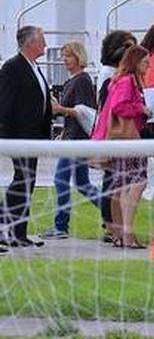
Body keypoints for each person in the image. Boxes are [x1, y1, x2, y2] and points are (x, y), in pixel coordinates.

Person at [92, 44, 150, 249]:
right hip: (127, 139)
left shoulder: (119, 80)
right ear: (135, 62)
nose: (148, 66)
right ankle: (126, 231)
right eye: (145, 62)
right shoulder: (127, 82)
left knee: (120, 187)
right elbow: (119, 106)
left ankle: (119, 232)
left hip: (117, 140)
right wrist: (141, 108)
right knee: (137, 182)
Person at [0, 26, 53, 248]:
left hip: (33, 135)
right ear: (30, 43)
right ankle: (6, 226)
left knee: (28, 180)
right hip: (19, 135)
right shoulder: (13, 67)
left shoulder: (34, 67)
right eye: (42, 41)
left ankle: (18, 232)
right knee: (22, 179)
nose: (46, 45)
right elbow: (5, 102)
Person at [42, 41, 100, 240]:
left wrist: (61, 110)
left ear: (78, 57)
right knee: (83, 184)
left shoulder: (82, 81)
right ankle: (110, 212)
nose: (64, 60)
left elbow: (85, 111)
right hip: (72, 136)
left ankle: (61, 226)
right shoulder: (73, 81)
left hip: (76, 139)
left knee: (61, 180)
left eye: (67, 56)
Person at [95, 31, 136, 242]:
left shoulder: (112, 75)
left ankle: (112, 226)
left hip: (109, 133)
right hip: (112, 134)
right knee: (115, 182)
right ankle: (113, 226)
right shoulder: (113, 77)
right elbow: (112, 108)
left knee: (113, 181)